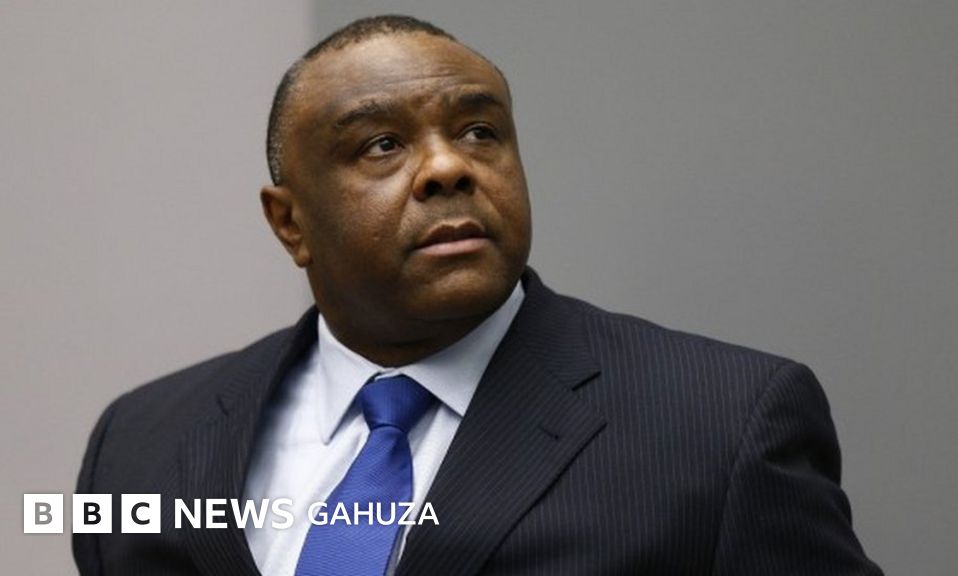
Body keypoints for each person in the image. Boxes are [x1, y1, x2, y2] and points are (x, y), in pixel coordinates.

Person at [73, 14, 882, 576]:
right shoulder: (140, 445)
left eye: (478, 132)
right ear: (291, 223)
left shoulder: (723, 425)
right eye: (382, 144)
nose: (447, 167)